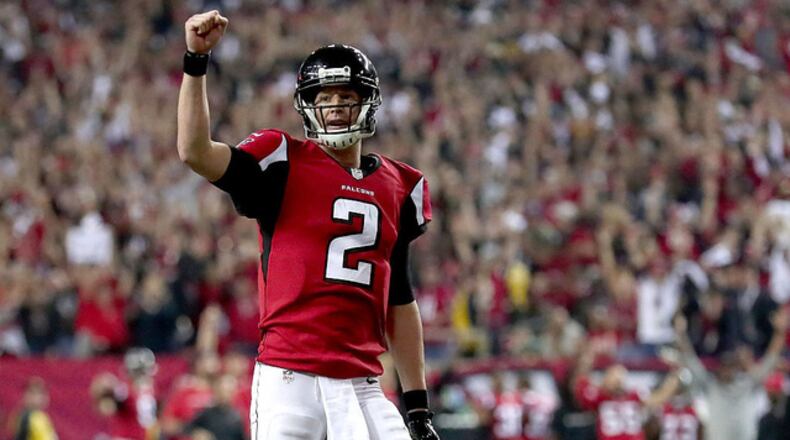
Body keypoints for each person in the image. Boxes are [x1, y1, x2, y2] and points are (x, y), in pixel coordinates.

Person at [177, 10, 438, 440]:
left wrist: (417, 406)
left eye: (345, 96)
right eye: (324, 98)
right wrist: (195, 62)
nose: (334, 107)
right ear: (308, 106)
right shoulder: (281, 158)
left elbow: (400, 301)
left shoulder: (401, 185)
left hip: (363, 384)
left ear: (367, 102)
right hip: (289, 379)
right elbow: (194, 151)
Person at [673, 308, 788, 440]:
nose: (727, 369)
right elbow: (690, 359)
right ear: (719, 367)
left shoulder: (748, 383)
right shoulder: (711, 385)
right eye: (725, 364)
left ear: (736, 367)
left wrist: (780, 332)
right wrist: (681, 334)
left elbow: (770, 359)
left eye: (731, 365)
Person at [90, 347, 158, 440]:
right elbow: (107, 407)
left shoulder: (126, 390)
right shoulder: (148, 390)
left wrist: (103, 394)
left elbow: (106, 407)